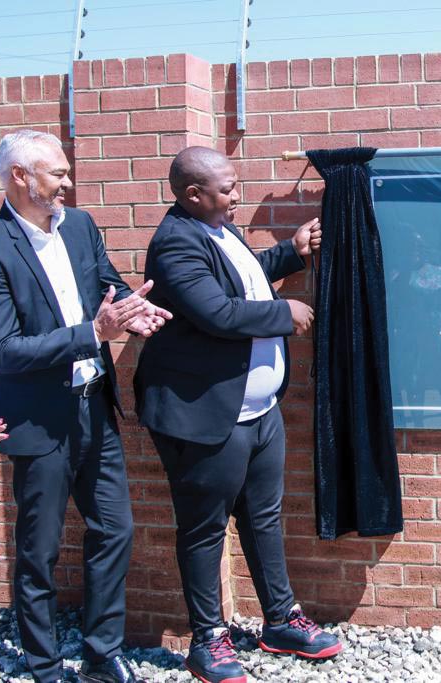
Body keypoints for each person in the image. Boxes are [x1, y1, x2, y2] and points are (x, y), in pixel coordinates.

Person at [133, 146, 341, 683]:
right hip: (207, 416)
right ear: (193, 194)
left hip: (260, 411)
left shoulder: (219, 229)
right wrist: (283, 312)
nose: (236, 195)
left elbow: (243, 281)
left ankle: (280, 621)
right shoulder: (176, 242)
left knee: (263, 516)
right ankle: (208, 641)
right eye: (226, 189)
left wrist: (291, 253)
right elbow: (216, 312)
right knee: (204, 529)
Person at [0, 130, 170, 683]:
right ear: (20, 177)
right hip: (37, 420)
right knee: (39, 552)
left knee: (115, 530)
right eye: (57, 173)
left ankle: (103, 654)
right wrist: (92, 334)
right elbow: (4, 351)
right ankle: (44, 665)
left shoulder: (79, 225)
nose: (68, 181)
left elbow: (106, 284)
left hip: (94, 409)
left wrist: (132, 309)